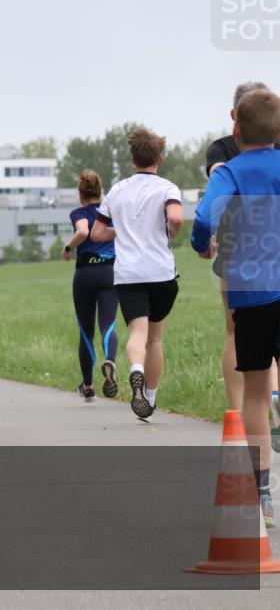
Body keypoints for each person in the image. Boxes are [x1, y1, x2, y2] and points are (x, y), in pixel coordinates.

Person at [191, 87, 280, 528]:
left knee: (257, 393)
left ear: (236, 127)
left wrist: (198, 244)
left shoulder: (229, 172)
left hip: (251, 293)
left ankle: (262, 494)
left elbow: (205, 218)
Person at [91, 129, 183, 421]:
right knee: (155, 338)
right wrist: (171, 231)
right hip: (161, 272)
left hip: (129, 274)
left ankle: (135, 371)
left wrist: (126, 230)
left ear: (132, 159)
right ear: (160, 158)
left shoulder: (117, 190)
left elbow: (96, 232)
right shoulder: (167, 187)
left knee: (137, 333)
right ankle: (151, 400)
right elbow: (177, 217)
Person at [205, 81, 280, 411]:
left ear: (235, 118)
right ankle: (275, 396)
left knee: (234, 333)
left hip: (238, 256)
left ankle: (240, 412)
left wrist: (200, 240)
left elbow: (214, 192)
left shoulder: (222, 152)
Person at [61, 170, 119, 401]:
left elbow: (83, 230)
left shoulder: (80, 212)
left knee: (86, 332)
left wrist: (68, 249)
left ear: (80, 193)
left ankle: (88, 387)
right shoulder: (111, 211)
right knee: (108, 326)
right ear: (100, 191)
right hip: (110, 272)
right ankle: (110, 361)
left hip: (85, 274)